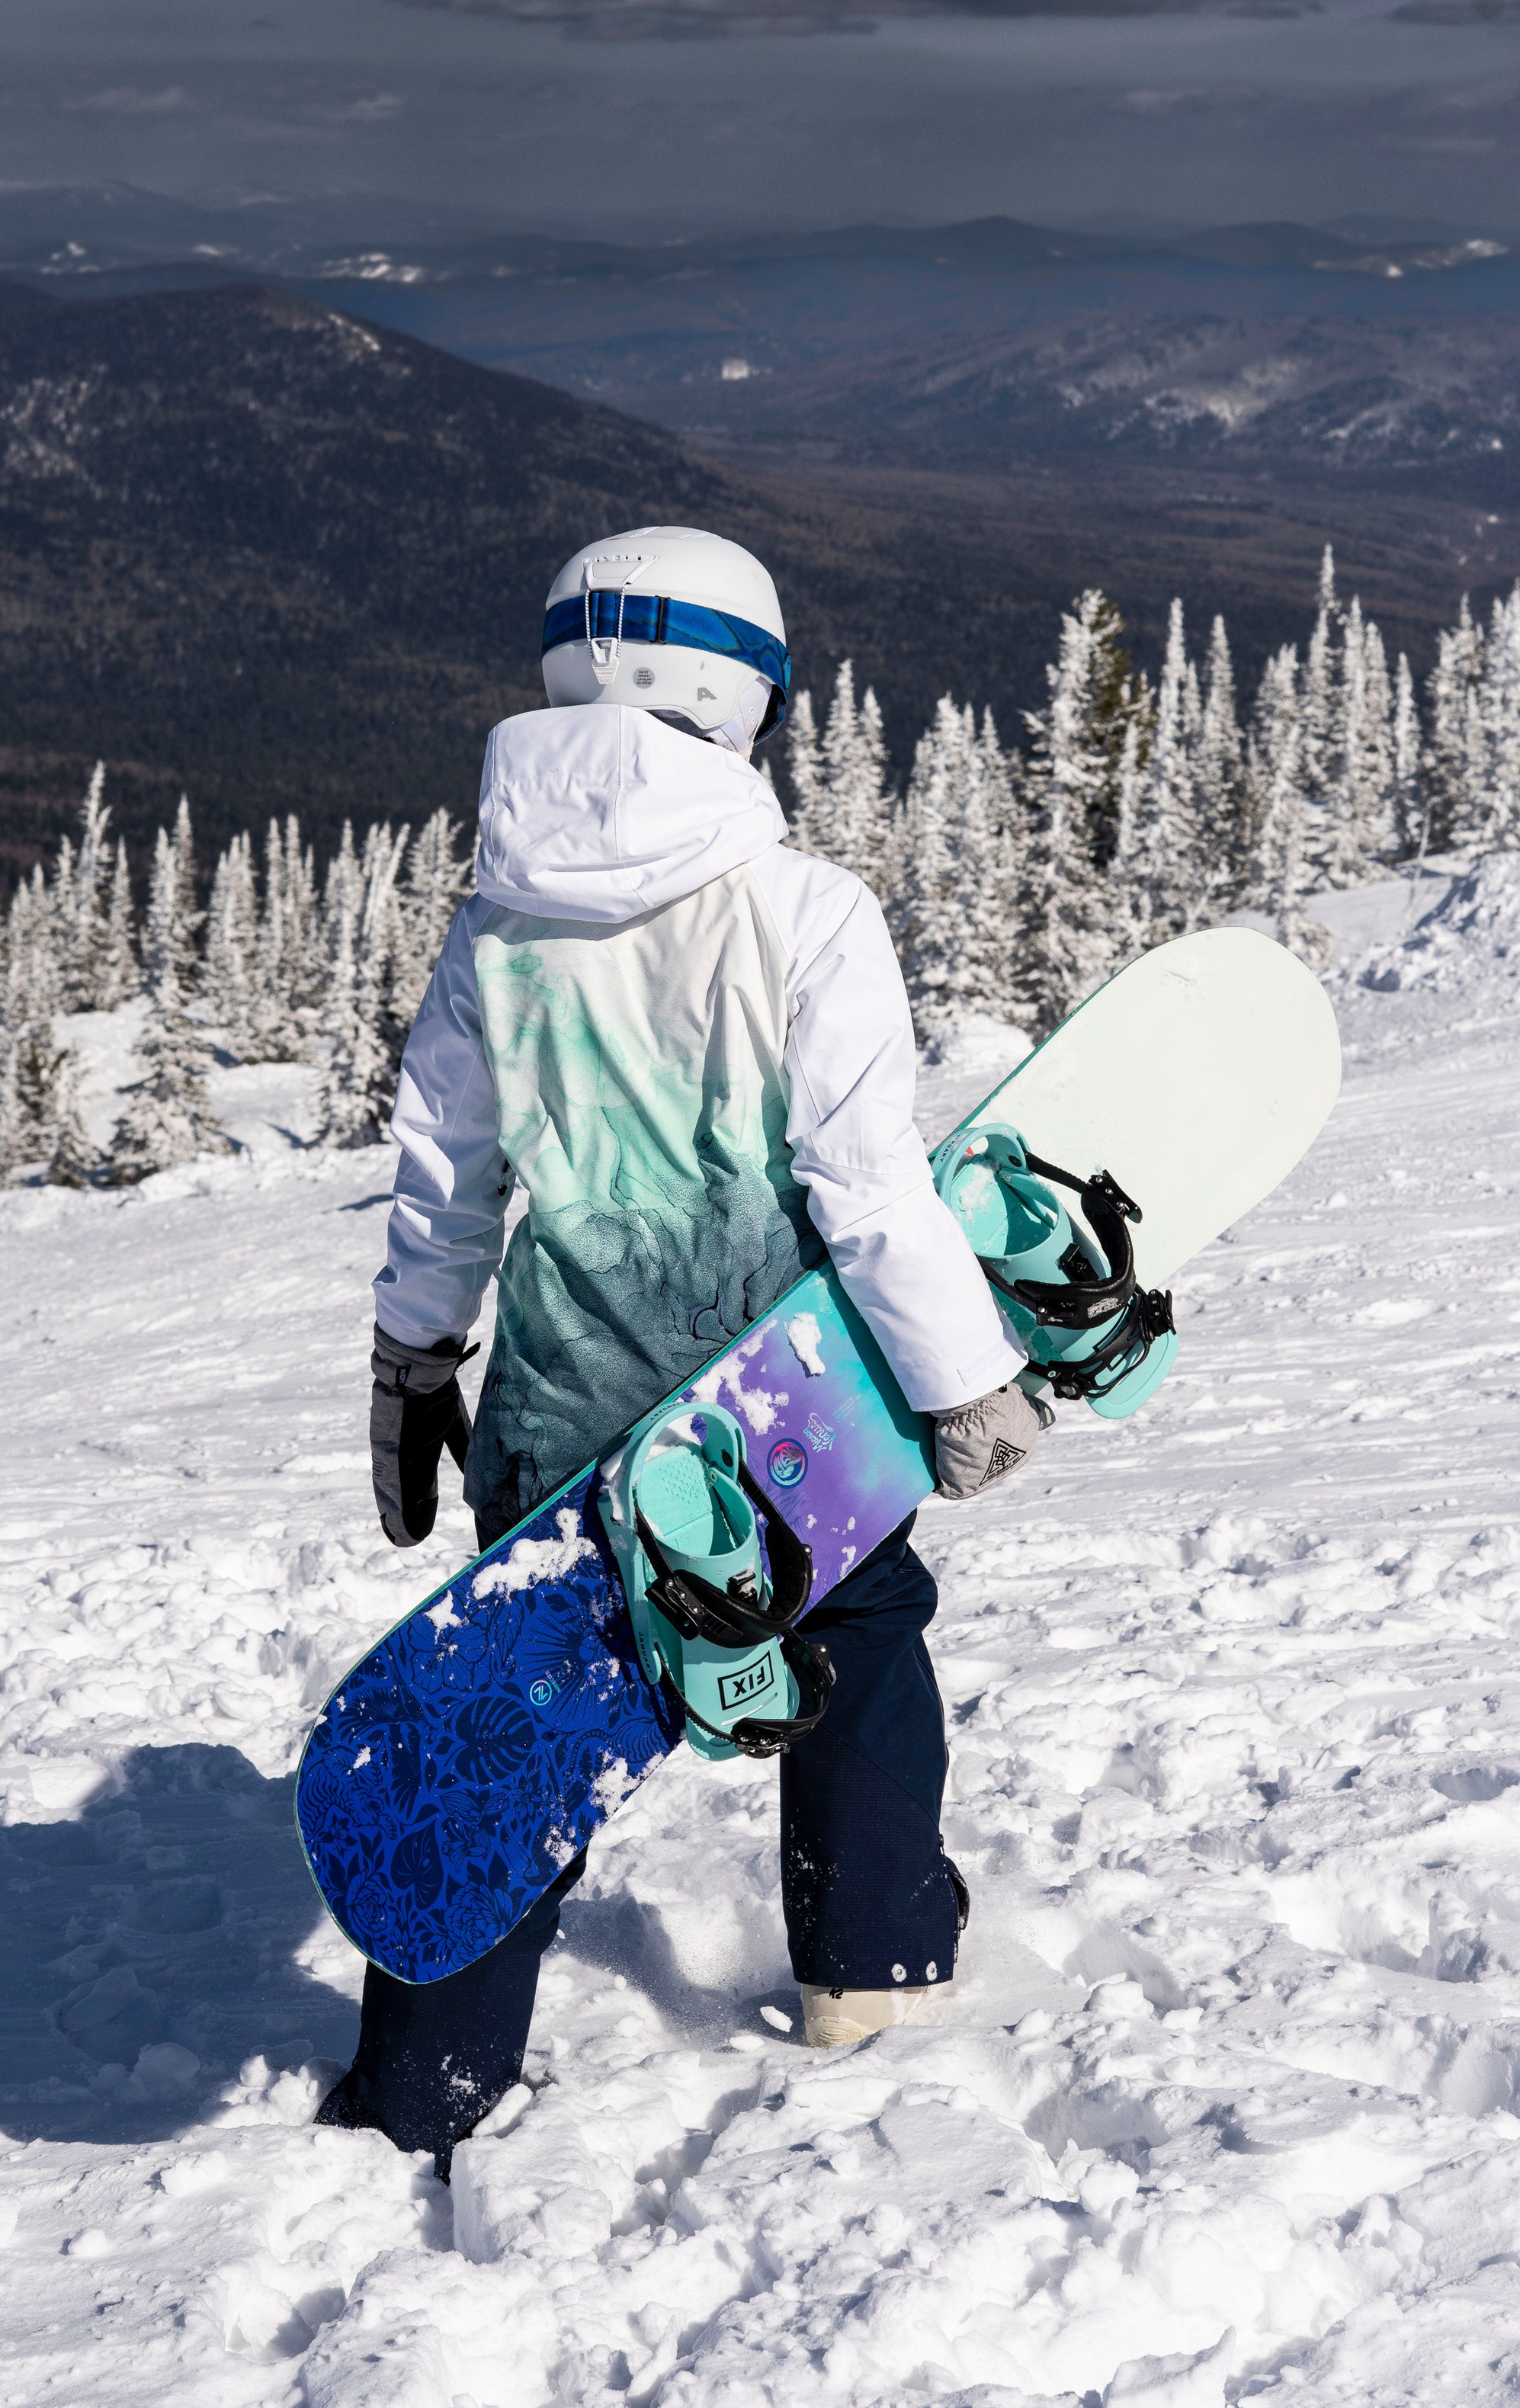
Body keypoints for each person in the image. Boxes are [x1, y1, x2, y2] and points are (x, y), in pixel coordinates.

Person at [317, 526, 1047, 2174]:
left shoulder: (493, 926)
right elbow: (861, 1188)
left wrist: (414, 1360)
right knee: (858, 1643)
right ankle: (869, 1975)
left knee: (526, 1707)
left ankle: (428, 2081)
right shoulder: (805, 910)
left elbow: (447, 1183)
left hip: (560, 1402)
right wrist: (959, 1384)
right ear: (741, 691)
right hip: (777, 1402)